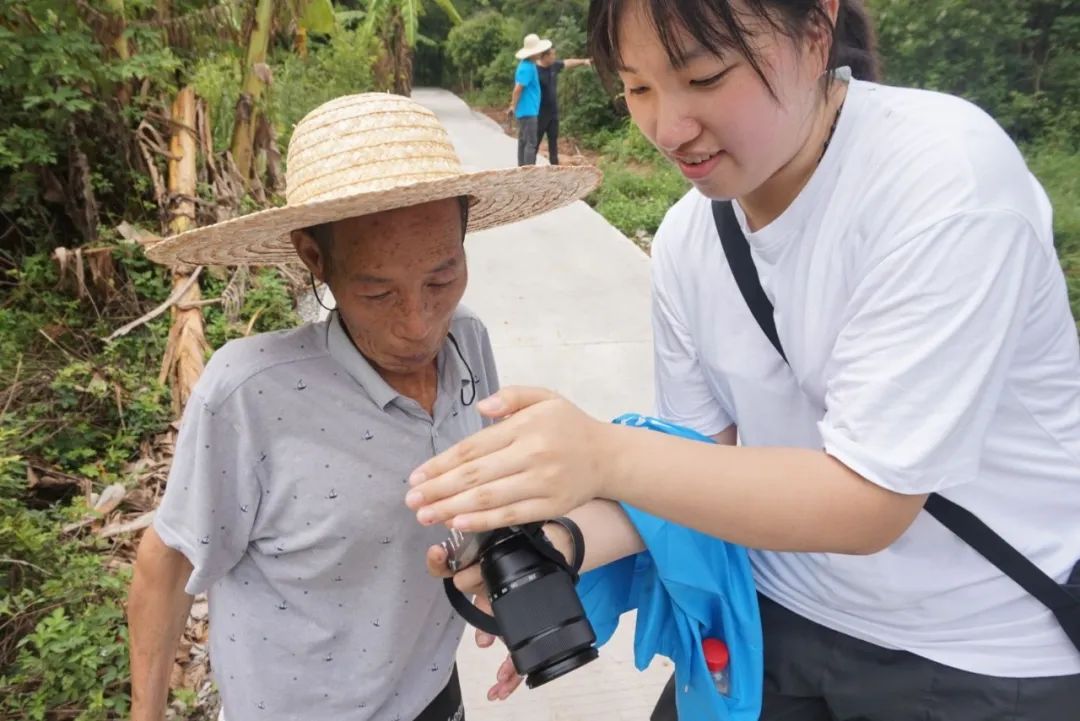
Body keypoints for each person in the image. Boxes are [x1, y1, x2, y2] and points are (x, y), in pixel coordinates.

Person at [408, 1, 1080, 719]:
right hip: (773, 614)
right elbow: (698, 468)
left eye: (704, 76)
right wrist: (557, 543)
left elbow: (869, 502)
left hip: (980, 650)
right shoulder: (689, 239)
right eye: (637, 88)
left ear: (816, 31)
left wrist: (601, 454)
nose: (668, 128)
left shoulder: (942, 182)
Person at [129, 92, 600, 721]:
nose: (418, 322)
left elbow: (474, 501)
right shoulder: (251, 394)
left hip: (432, 692)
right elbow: (166, 563)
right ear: (315, 258)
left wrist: (518, 589)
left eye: (441, 277)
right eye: (378, 292)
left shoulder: (469, 343)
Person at [535, 48, 592, 165]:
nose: (554, 57)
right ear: (545, 56)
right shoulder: (534, 70)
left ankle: (555, 169)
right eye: (552, 55)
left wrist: (584, 61)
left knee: (553, 143)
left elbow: (568, 62)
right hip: (539, 114)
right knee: (534, 144)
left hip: (553, 113)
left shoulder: (554, 66)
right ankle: (528, 169)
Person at [508, 33, 547, 166]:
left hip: (526, 110)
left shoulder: (527, 64)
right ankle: (529, 171)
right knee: (531, 142)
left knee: (523, 141)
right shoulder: (527, 68)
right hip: (528, 111)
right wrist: (513, 105)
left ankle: (522, 169)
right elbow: (518, 89)